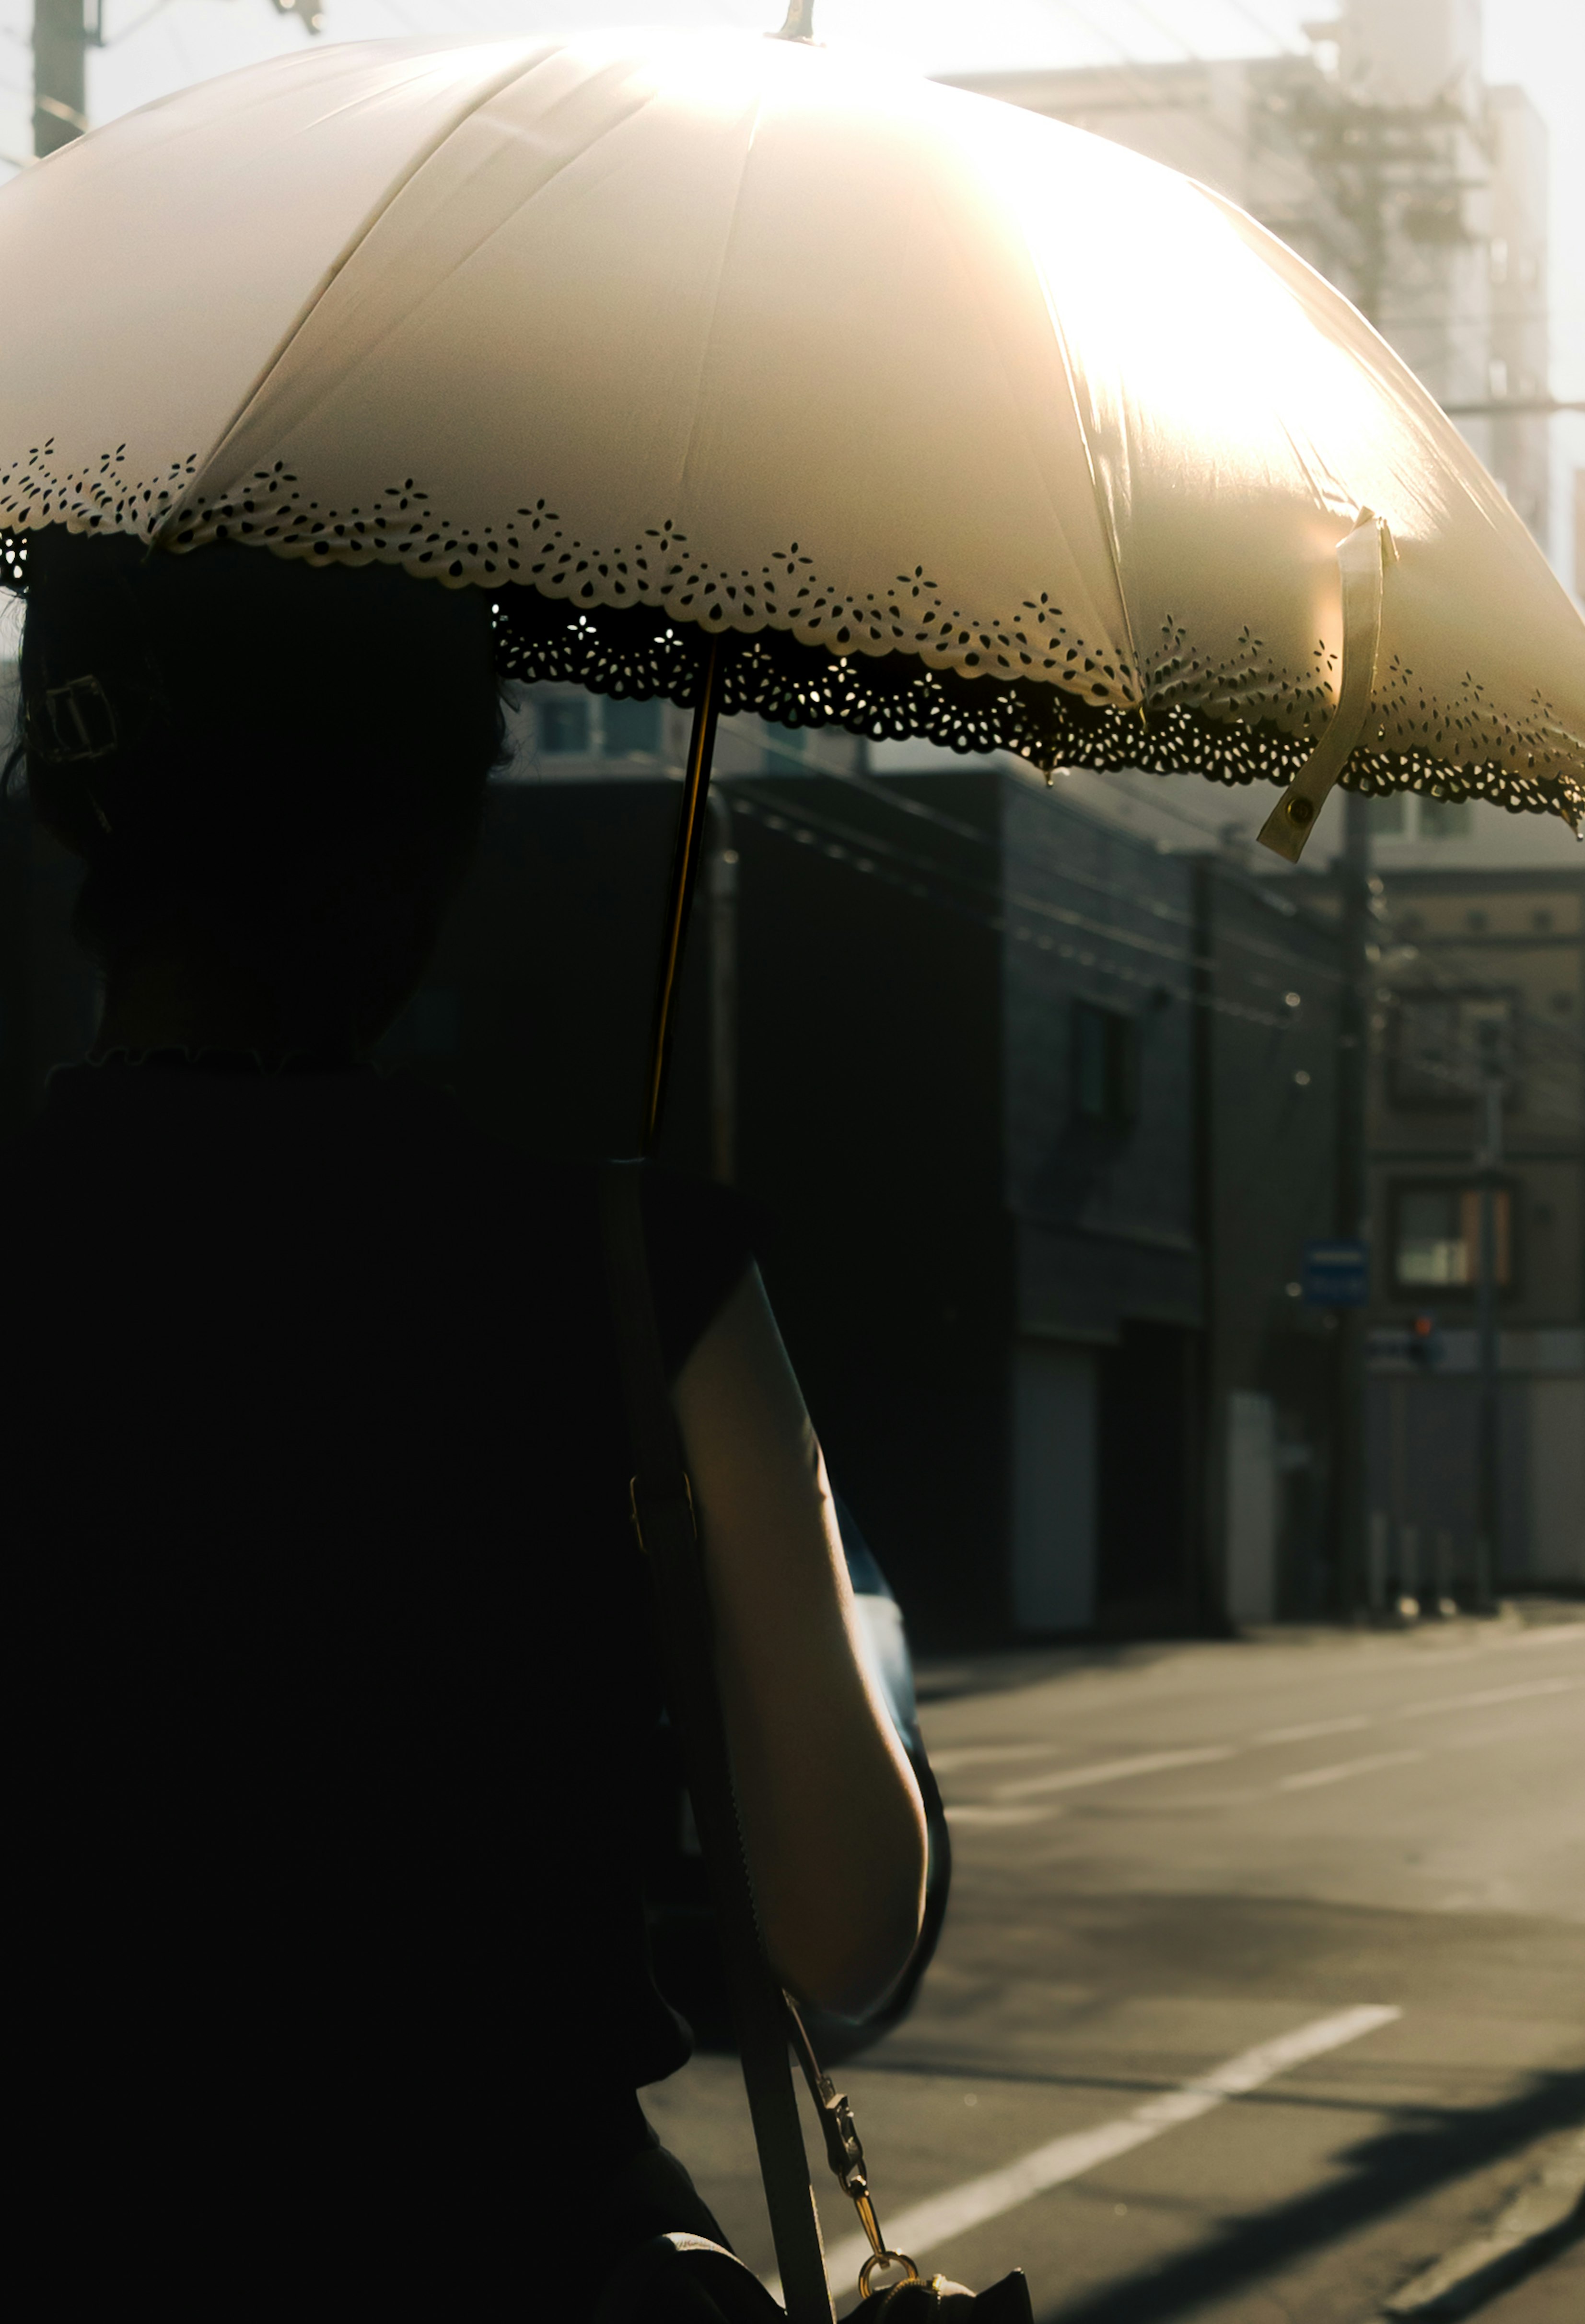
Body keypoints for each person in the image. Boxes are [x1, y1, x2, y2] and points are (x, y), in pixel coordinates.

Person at [5, 526, 927, 2321]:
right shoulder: (634, 1268)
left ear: (76, 821)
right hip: (515, 2250)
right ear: (424, 845)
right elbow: (842, 1924)